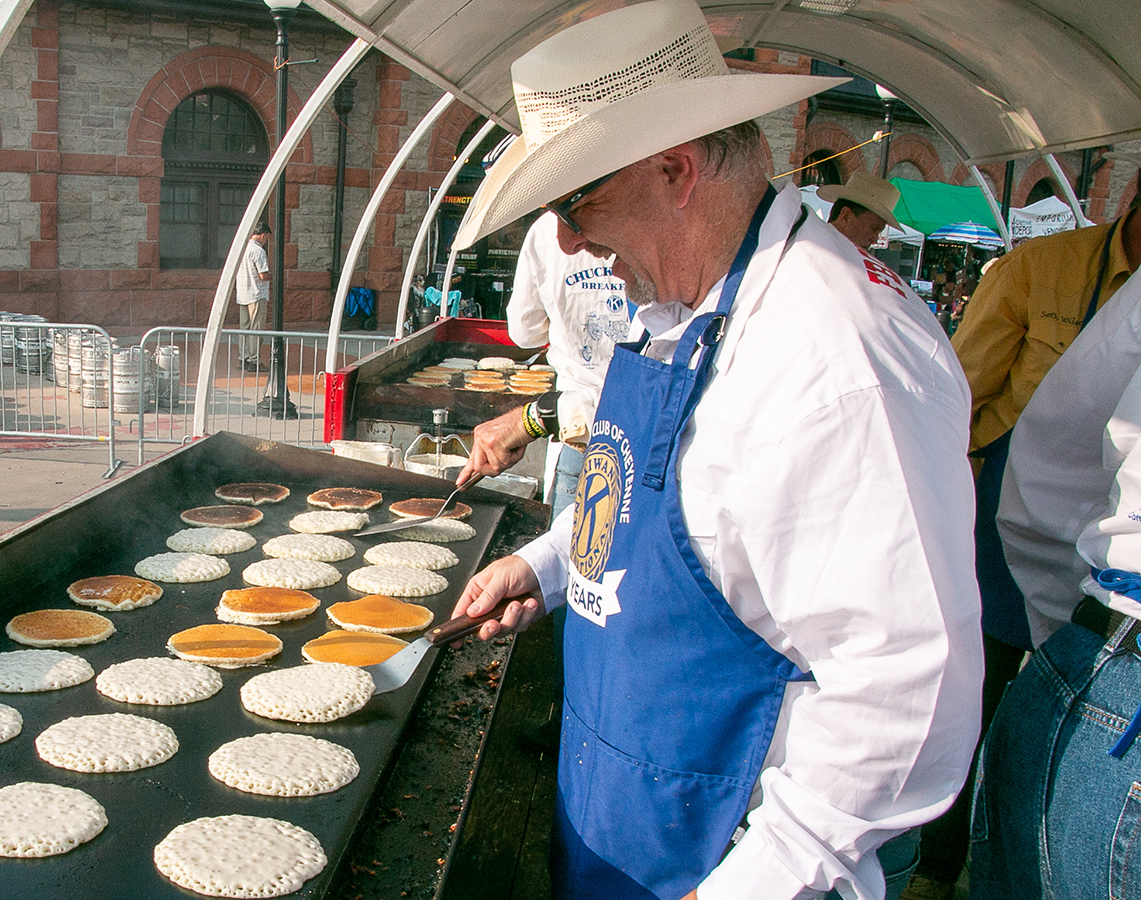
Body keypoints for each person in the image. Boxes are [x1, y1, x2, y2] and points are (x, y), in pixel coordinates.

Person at [447, 2, 982, 896]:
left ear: (674, 170)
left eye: (575, 204)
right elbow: (692, 512)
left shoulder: (836, 358)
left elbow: (905, 686)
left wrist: (749, 885)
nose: (569, 241)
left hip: (728, 858)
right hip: (622, 809)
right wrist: (546, 564)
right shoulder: (685, 310)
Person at [907, 195, 1141, 900]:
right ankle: (936, 861)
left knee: (1049, 721)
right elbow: (959, 395)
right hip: (1008, 510)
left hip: (1100, 551)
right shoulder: (1039, 267)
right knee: (971, 696)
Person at [977, 276, 1141, 895]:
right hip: (1099, 659)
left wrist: (1081, 647)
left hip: (1100, 653)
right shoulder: (1038, 268)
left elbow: (1045, 474)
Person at [462, 211, 634, 520]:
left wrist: (533, 418)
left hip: (579, 434)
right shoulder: (654, 219)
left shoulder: (546, 231)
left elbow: (524, 333)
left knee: (569, 557)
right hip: (593, 426)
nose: (572, 245)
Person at [819, 170, 903, 251]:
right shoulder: (812, 245)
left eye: (878, 233)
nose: (875, 240)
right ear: (846, 216)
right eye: (873, 229)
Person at [236, 223, 271, 371]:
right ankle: (254, 360)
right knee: (256, 328)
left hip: (243, 293)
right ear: (263, 235)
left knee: (244, 328)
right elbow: (263, 275)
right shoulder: (258, 251)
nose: (266, 241)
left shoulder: (242, 247)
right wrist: (273, 277)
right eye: (266, 238)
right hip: (256, 294)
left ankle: (242, 358)